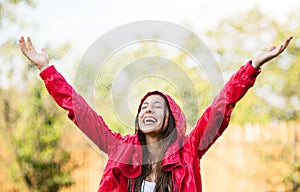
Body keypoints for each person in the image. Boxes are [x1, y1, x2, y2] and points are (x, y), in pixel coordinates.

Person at [19, 35, 293, 192]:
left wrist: (253, 66)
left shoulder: (189, 150)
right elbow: (79, 111)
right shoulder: (120, 148)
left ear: (170, 118)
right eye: (143, 107)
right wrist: (46, 70)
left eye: (156, 106)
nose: (147, 109)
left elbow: (221, 107)